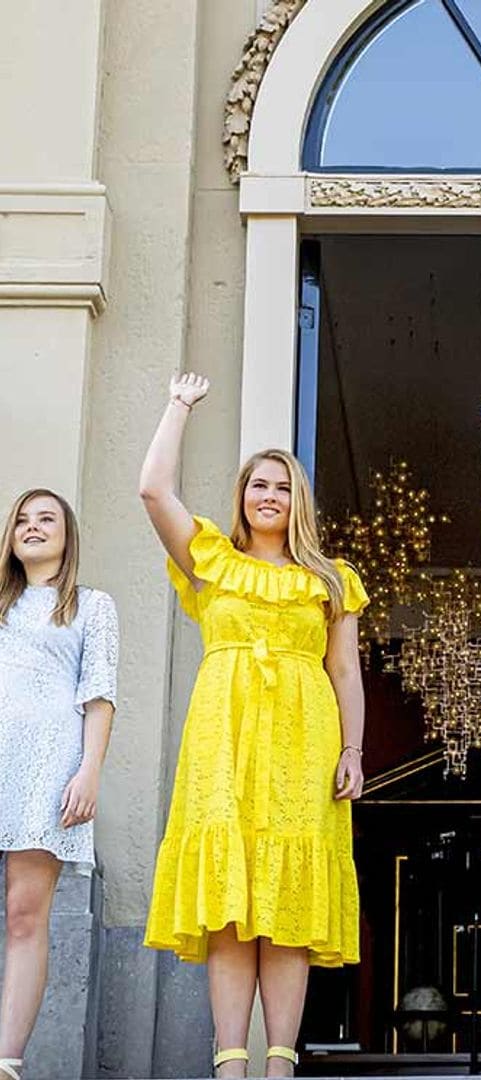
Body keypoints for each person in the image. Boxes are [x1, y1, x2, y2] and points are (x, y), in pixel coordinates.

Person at [139, 374, 369, 1078]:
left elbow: (346, 674)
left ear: (297, 502)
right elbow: (153, 490)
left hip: (305, 743)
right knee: (233, 912)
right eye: (257, 485)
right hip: (226, 742)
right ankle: (229, 1063)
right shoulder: (212, 561)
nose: (268, 496)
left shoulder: (331, 579)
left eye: (280, 487)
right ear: (242, 498)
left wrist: (354, 750)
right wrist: (178, 409)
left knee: (290, 911)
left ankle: (280, 1064)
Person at [0, 489, 118, 1080]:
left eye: (46, 518)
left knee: (25, 914)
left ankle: (5, 1061)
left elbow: (99, 696)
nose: (32, 526)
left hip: (46, 767)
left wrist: (89, 772)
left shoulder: (92, 606)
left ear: (68, 535)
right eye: (22, 519)